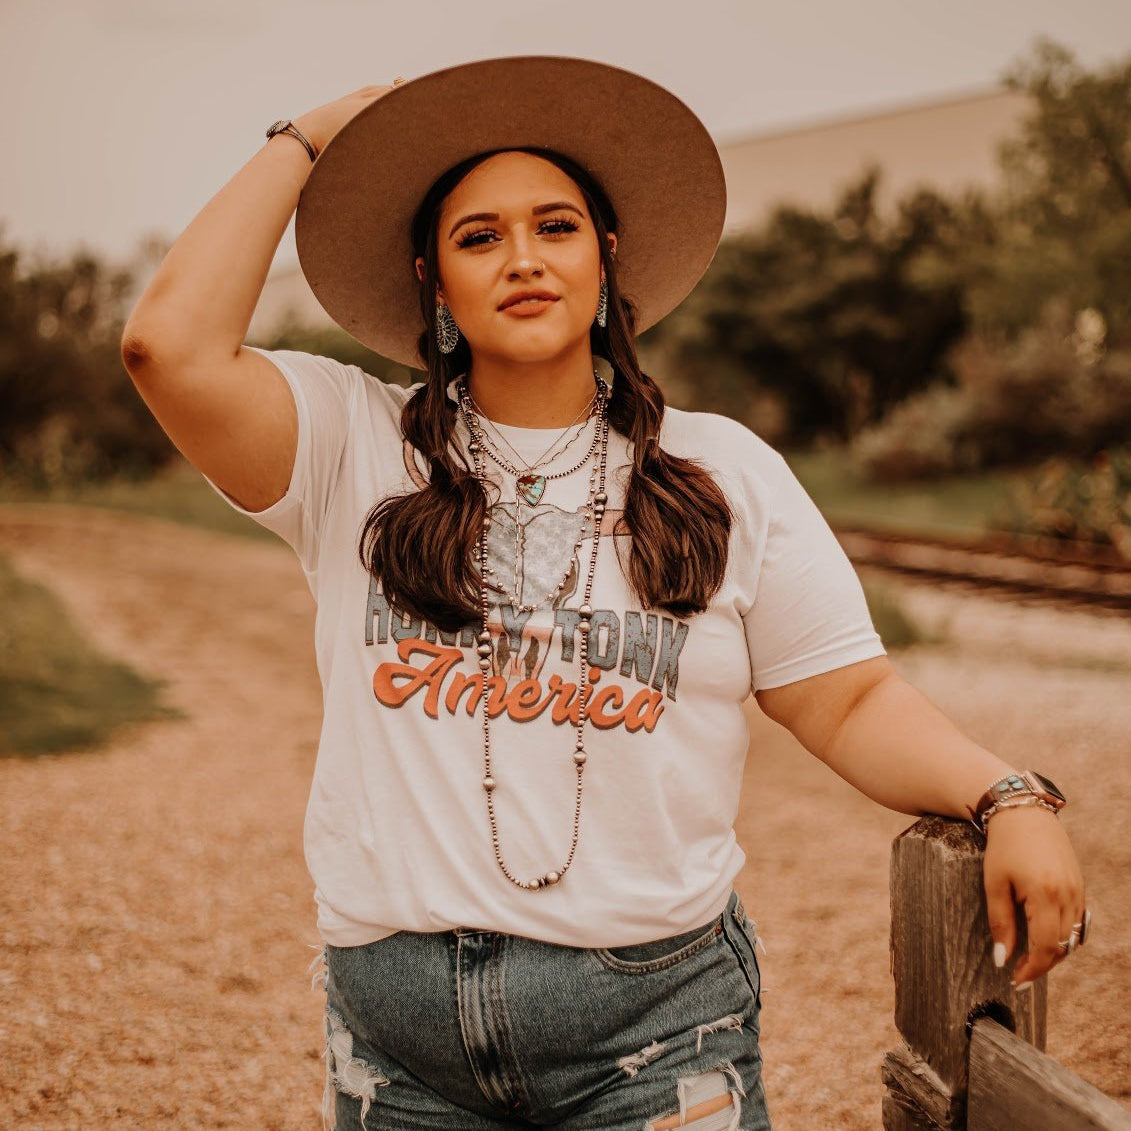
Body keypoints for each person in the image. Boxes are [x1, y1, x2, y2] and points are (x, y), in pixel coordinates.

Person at [120, 56, 1088, 1131]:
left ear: (606, 257)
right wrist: (310, 136)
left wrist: (1009, 796)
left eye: (557, 226)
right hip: (403, 1058)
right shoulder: (354, 446)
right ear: (434, 284)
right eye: (478, 237)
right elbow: (166, 346)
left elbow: (847, 700)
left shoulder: (721, 472)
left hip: (654, 1035)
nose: (523, 258)